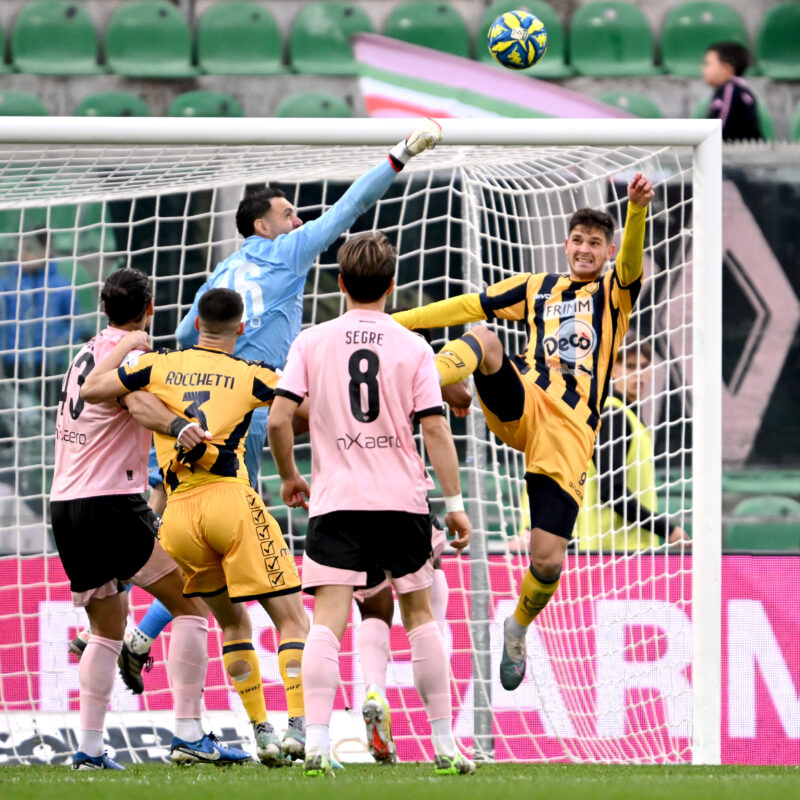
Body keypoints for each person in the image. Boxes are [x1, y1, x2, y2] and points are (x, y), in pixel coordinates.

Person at [115, 118, 444, 684]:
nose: (299, 220)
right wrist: (400, 154)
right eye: (289, 213)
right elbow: (348, 211)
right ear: (263, 225)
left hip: (202, 407)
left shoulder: (220, 272)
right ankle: (382, 565)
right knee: (345, 439)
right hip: (260, 406)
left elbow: (192, 339)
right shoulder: (287, 253)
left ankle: (131, 618)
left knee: (183, 520)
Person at [392, 173, 655, 692]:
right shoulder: (538, 288)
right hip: (524, 402)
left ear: (605, 253)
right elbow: (469, 306)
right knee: (486, 338)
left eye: (595, 244)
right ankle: (421, 380)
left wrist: (636, 213)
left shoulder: (614, 294)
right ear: (566, 243)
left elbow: (631, 264)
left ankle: (518, 628)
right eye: (578, 240)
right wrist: (396, 323)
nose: (585, 250)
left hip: (569, 434)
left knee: (547, 560)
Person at [268, 231, 476, 777]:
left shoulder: (312, 341)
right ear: (391, 285)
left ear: (339, 284)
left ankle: (315, 742)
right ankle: (444, 744)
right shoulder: (413, 345)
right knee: (421, 618)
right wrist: (453, 502)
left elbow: (277, 418)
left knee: (326, 623)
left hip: (337, 502)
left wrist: (291, 476)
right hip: (400, 501)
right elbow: (435, 426)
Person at [81, 287, 312, 767]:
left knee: (231, 620)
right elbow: (300, 409)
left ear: (195, 322)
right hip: (229, 501)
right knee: (292, 617)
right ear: (242, 328)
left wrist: (130, 361)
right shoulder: (251, 374)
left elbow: (93, 391)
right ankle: (296, 728)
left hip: (179, 517)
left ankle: (260, 733)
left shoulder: (157, 365)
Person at [50, 268, 250, 769]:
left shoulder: (86, 353)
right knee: (192, 607)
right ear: (151, 307)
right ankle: (188, 734)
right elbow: (136, 400)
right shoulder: (134, 354)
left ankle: (89, 751)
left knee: (106, 630)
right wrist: (178, 424)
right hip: (111, 501)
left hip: (65, 505)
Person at [576, 342, 691, 551]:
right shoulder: (613, 415)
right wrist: (667, 529)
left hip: (630, 552)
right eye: (630, 366)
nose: (639, 374)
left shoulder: (631, 417)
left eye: (644, 366)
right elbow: (611, 491)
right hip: (610, 552)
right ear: (612, 371)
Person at [702, 41, 763, 142]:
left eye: (707, 64)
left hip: (739, 153)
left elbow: (718, 127)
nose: (703, 69)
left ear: (726, 69)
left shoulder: (729, 90)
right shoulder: (740, 89)